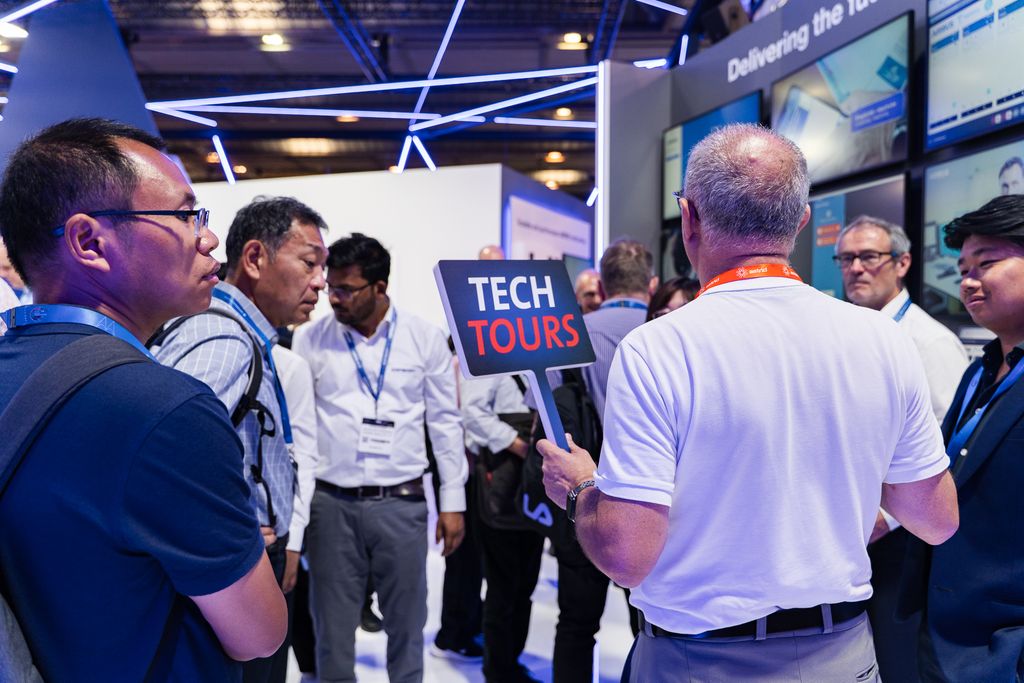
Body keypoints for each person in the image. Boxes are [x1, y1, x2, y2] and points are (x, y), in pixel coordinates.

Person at [539, 124, 959, 682]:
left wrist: (578, 488)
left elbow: (626, 555)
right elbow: (936, 520)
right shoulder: (882, 339)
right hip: (844, 656)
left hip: (699, 662)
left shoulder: (659, 347)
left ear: (689, 218)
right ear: (801, 221)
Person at [0, 118, 286, 681]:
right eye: (184, 215)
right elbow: (260, 634)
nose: (208, 238)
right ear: (88, 242)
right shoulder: (166, 409)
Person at [153, 196, 327, 682]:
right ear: (254, 258)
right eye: (309, 262)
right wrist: (233, 532)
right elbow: (163, 456)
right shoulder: (224, 340)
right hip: (233, 568)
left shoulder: (239, 334)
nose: (320, 281)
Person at [292, 233, 467, 683]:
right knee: (331, 630)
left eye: (346, 289)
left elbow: (445, 423)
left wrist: (453, 501)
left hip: (402, 503)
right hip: (330, 503)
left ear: (380, 287)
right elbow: (302, 431)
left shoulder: (424, 339)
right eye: (331, 286)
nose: (334, 297)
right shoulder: (310, 340)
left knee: (407, 626)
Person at [834, 216, 968, 681]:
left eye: (869, 257)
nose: (856, 268)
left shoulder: (930, 342)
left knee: (894, 662)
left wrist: (886, 518)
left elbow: (951, 447)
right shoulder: (844, 333)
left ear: (903, 262)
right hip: (845, 533)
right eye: (846, 258)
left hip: (899, 538)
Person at [899, 194, 1024, 682]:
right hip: (943, 629)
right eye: (963, 268)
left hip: (1006, 641)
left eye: (986, 264)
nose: (968, 281)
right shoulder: (980, 371)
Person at [460, 371, 539, 682]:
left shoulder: (543, 364)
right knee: (503, 586)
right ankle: (498, 669)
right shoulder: (493, 366)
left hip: (533, 486)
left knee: (525, 585)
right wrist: (517, 445)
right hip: (502, 484)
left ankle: (511, 661)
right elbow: (472, 412)